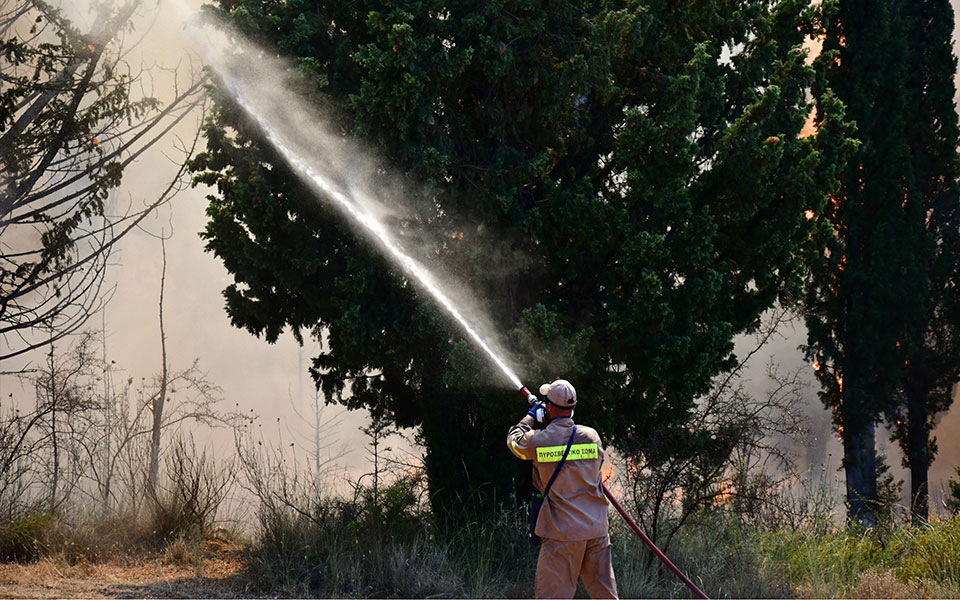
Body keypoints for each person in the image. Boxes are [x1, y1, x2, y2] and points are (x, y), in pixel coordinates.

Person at [507, 378, 618, 599]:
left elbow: (514, 442)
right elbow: (595, 473)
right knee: (606, 596)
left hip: (562, 533)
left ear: (549, 407)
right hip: (596, 530)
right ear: (573, 407)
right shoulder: (592, 436)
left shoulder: (540, 441)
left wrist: (531, 416)